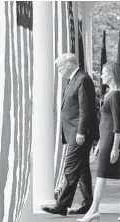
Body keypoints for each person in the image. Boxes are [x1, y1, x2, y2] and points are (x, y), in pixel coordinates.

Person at [78, 61, 120, 222]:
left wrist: (115, 148)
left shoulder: (116, 95)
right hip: (106, 139)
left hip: (111, 140)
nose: (101, 75)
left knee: (101, 174)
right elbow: (105, 122)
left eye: (104, 72)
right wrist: (99, 143)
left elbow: (118, 125)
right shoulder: (112, 94)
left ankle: (93, 210)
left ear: (112, 74)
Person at [42, 53, 99, 216]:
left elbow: (85, 109)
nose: (59, 70)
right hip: (73, 132)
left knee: (70, 168)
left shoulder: (83, 79)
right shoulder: (73, 80)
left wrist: (81, 131)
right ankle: (88, 203)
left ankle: (61, 205)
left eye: (60, 66)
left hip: (78, 133)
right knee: (82, 170)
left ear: (69, 65)